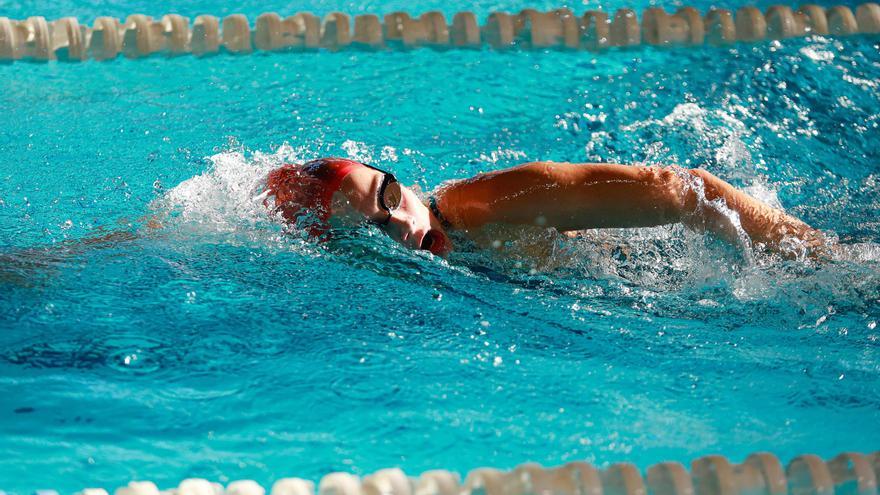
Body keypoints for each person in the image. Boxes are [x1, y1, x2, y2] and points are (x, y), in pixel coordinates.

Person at [263, 157, 827, 258]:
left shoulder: (491, 201)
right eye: (375, 230)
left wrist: (810, 253)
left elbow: (686, 190)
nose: (404, 229)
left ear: (401, 182)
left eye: (389, 199)